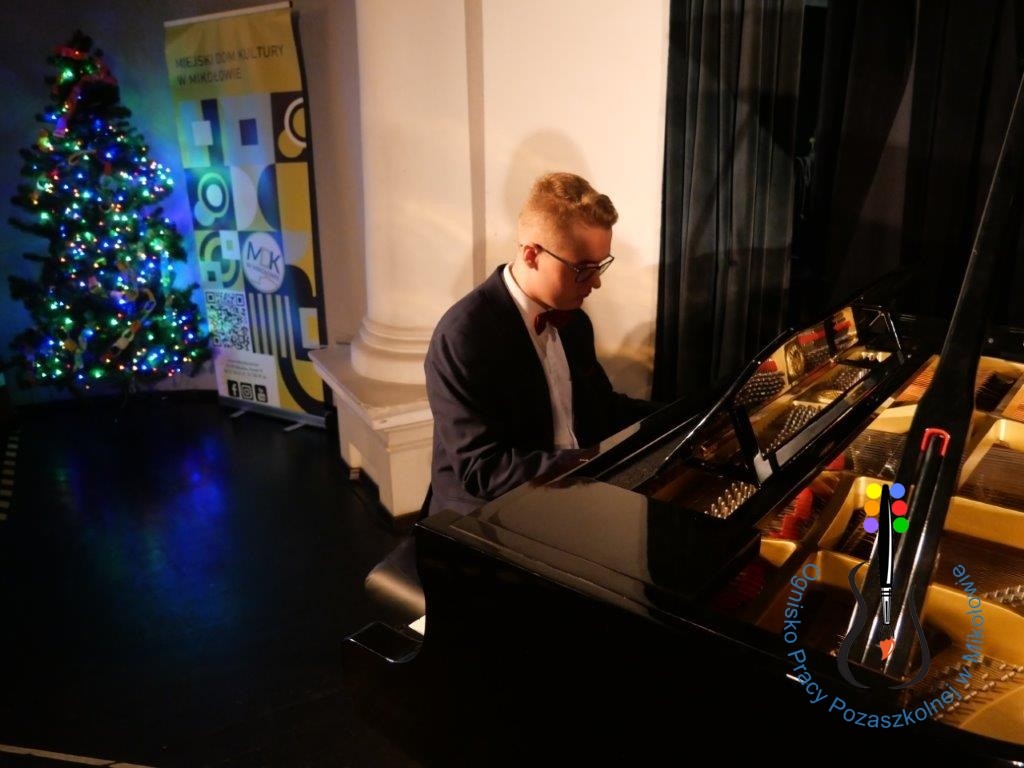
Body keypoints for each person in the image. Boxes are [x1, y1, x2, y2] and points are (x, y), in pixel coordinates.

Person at [423, 171, 660, 517]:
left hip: (566, 486)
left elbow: (601, 407)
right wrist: (587, 462)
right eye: (583, 269)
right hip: (487, 512)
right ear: (532, 255)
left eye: (600, 266)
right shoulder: (464, 336)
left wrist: (675, 416)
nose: (595, 282)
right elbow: (483, 470)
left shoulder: (575, 321)